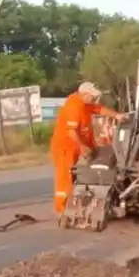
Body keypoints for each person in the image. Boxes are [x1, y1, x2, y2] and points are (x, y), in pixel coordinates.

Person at [49, 81, 123, 213]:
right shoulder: (73, 107)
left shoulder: (85, 104)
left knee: (82, 175)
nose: (94, 98)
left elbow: (99, 109)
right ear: (84, 94)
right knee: (65, 177)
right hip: (65, 147)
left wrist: (116, 115)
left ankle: (80, 201)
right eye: (92, 96)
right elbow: (71, 132)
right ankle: (62, 208)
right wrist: (83, 148)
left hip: (78, 145)